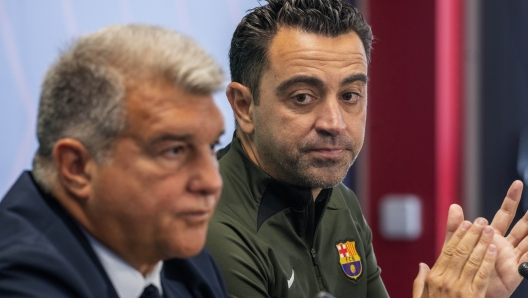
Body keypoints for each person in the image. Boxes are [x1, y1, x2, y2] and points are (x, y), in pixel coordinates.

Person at [205, 0, 528, 297]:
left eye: (349, 96)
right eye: (303, 97)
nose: (335, 123)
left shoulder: (338, 200)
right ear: (244, 106)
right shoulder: (209, 229)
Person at [0, 24, 228, 298]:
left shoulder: (184, 261)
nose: (212, 182)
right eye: (174, 151)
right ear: (77, 168)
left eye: (213, 146)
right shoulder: (18, 282)